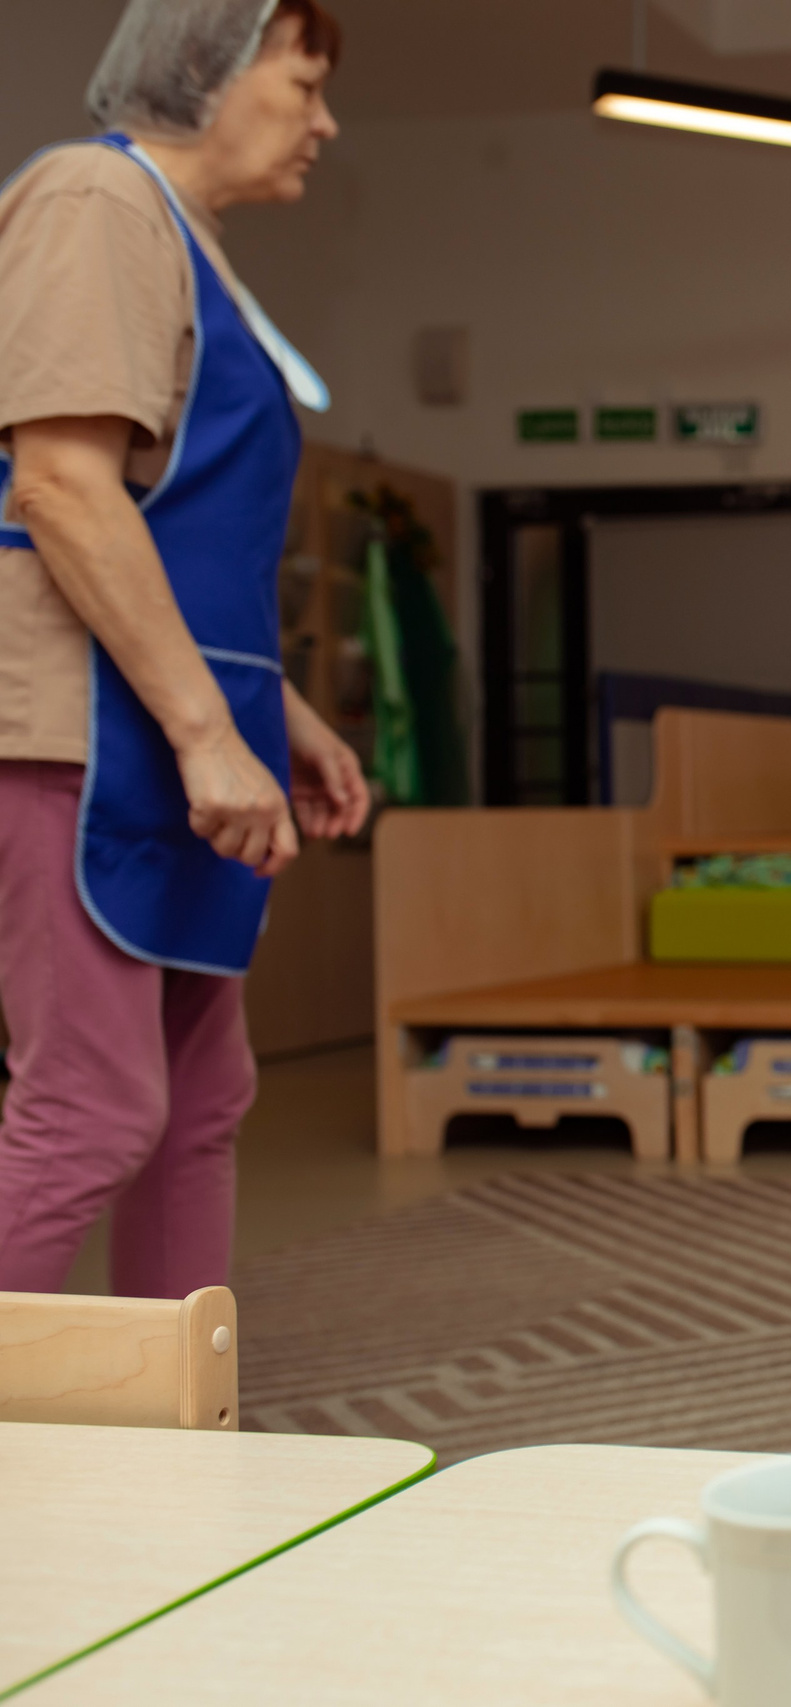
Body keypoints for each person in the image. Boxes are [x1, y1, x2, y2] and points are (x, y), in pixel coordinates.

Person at [0, 0, 366, 1298]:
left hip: (164, 729)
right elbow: (62, 489)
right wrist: (212, 732)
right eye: (304, 80)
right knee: (93, 1106)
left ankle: (180, 1421)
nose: (324, 119)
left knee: (200, 1100)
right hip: (80, 734)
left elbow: (185, 536)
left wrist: (291, 718)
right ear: (206, 67)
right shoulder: (95, 201)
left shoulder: (185, 242)